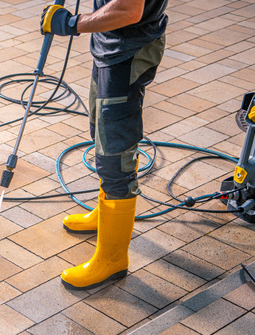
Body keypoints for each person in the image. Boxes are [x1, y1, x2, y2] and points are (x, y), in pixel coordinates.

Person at [40, 0, 168, 289]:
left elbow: (128, 10)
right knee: (102, 135)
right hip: (110, 46)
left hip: (128, 50)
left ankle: (112, 259)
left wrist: (72, 24)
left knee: (115, 155)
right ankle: (105, 215)